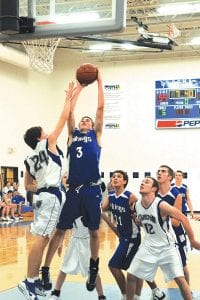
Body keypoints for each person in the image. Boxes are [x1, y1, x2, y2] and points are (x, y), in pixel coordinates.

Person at [41, 68, 104, 292]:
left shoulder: (95, 136)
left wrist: (99, 81)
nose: (86, 121)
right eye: (83, 120)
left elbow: (99, 109)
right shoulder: (72, 135)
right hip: (75, 190)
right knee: (59, 230)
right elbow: (69, 114)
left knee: (94, 232)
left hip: (92, 190)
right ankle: (45, 269)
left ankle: (94, 266)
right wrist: (76, 92)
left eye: (88, 120)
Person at [18, 81, 77, 300]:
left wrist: (43, 186)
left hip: (44, 194)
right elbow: (62, 119)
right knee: (41, 238)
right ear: (39, 137)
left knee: (43, 237)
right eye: (44, 132)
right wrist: (68, 97)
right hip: (50, 196)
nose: (49, 132)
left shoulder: (29, 158)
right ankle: (29, 281)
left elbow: (27, 186)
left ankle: (34, 280)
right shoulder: (47, 144)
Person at [126, 176, 200, 300]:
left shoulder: (161, 204)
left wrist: (192, 240)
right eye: (142, 182)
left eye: (147, 182)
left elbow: (183, 217)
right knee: (131, 276)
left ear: (154, 188)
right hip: (148, 245)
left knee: (180, 279)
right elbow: (141, 219)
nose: (142, 183)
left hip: (166, 247)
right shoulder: (137, 205)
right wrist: (138, 221)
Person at [101, 170, 166, 300]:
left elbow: (141, 211)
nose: (115, 178)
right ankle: (152, 291)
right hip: (123, 237)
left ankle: (127, 295)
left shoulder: (130, 196)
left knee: (113, 266)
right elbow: (102, 211)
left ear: (124, 181)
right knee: (136, 266)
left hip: (132, 238)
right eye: (113, 176)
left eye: (119, 177)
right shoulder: (110, 197)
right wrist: (114, 229)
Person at [49, 217, 106, 300]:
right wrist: (60, 243)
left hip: (88, 243)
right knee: (64, 267)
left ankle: (101, 296)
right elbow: (64, 225)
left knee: (94, 271)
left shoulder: (91, 207)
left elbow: (96, 233)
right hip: (74, 240)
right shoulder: (72, 206)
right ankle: (56, 293)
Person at [156, 165, 190, 286]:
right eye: (158, 171)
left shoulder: (176, 194)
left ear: (170, 177)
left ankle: (188, 290)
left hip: (175, 234)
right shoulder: (154, 193)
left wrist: (160, 216)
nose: (159, 173)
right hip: (160, 235)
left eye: (163, 171)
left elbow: (176, 222)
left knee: (182, 264)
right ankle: (156, 290)